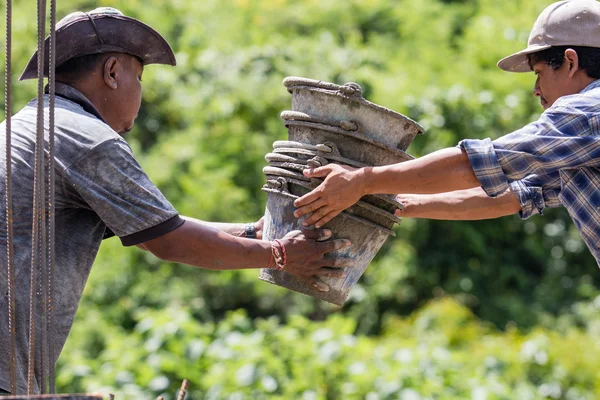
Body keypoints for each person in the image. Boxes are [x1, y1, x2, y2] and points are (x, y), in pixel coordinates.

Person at [0, 7, 352, 394]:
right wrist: (281, 254)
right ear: (112, 72)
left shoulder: (29, 126)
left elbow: (164, 224)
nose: (141, 93)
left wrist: (255, 232)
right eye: (140, 76)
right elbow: (170, 242)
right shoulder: (87, 138)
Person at [293, 0, 600, 265]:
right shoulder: (579, 137)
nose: (536, 90)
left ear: (570, 62)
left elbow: (478, 165)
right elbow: (509, 195)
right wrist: (395, 202)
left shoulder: (586, 112)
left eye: (540, 73)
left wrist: (362, 180)